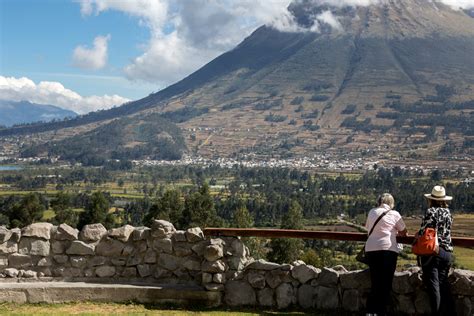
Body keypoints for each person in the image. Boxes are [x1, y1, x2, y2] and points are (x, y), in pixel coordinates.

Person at [365, 193, 407, 316]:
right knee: (386, 283)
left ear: (379, 201)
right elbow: (404, 231)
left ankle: (371, 311)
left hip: (371, 249)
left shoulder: (372, 212)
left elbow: (368, 229)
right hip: (388, 249)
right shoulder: (395, 214)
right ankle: (381, 311)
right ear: (391, 203)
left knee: (375, 281)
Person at [418, 185, 455, 316]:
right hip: (447, 251)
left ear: (431, 199)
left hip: (434, 251)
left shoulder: (430, 212)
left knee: (434, 286)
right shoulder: (448, 213)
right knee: (442, 283)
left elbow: (424, 231)